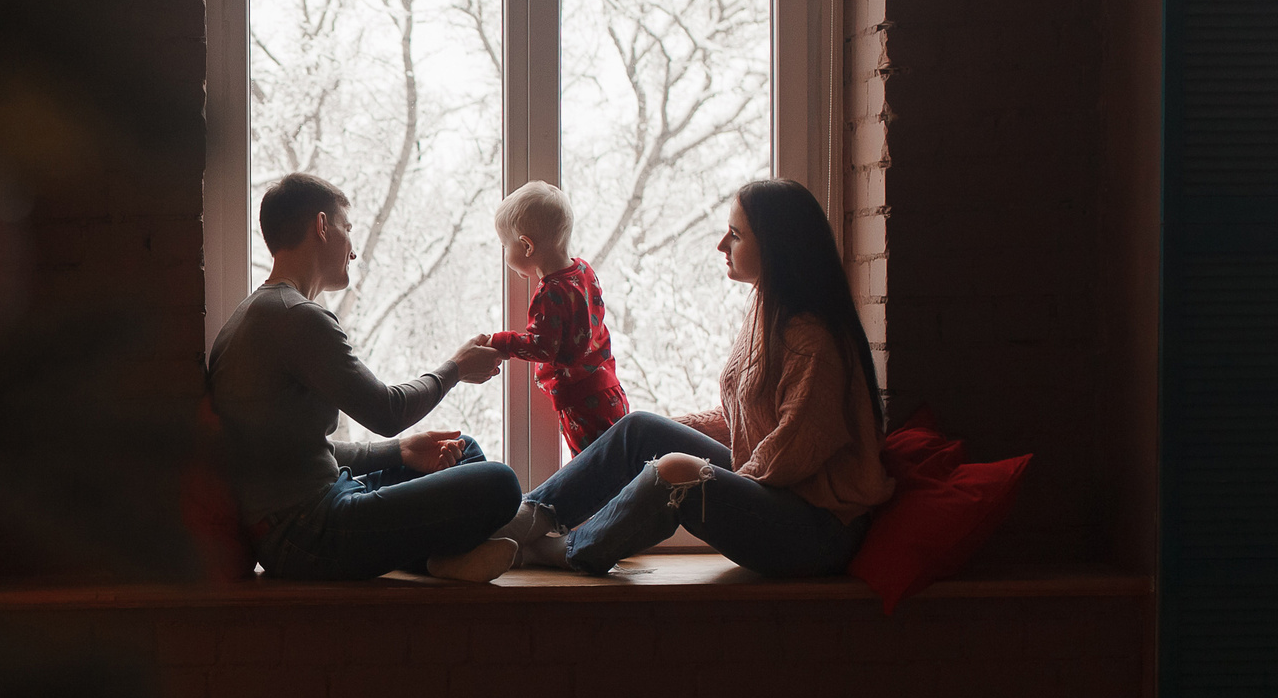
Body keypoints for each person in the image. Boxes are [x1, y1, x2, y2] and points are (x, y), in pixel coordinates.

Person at [496, 178, 893, 577]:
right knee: (640, 428)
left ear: (777, 246)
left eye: (735, 235)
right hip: (778, 495)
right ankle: (519, 521)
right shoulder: (768, 310)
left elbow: (792, 451)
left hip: (817, 530)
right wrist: (664, 436)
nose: (722, 245)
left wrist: (712, 481)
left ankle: (558, 551)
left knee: (677, 473)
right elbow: (744, 417)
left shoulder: (812, 341)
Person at [208, 172, 519, 581]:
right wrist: (456, 368)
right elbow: (387, 411)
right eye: (347, 229)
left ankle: (438, 561)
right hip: (308, 533)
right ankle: (479, 548)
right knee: (499, 483)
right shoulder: (294, 317)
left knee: (464, 450)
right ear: (322, 226)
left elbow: (301, 450)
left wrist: (400, 452)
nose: (353, 250)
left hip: (310, 517)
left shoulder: (256, 313)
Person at [476, 181, 629, 455]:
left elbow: (542, 347)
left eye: (504, 246)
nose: (504, 253)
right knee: (613, 461)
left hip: (582, 402)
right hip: (608, 389)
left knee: (592, 467)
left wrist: (501, 342)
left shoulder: (551, 292)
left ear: (526, 246)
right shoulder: (583, 269)